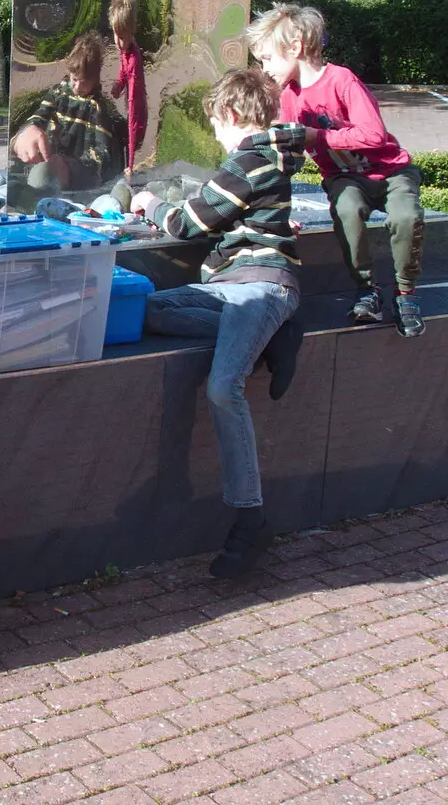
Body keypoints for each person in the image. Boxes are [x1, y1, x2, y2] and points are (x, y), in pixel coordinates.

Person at [129, 68, 306, 580]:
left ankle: (250, 521)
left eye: (215, 125)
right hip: (228, 287)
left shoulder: (248, 159)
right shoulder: (264, 158)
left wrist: (149, 204)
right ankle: (270, 338)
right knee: (148, 309)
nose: (216, 136)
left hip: (260, 286)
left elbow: (190, 222)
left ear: (229, 115)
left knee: (224, 388)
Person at [245, 4, 426, 338]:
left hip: (391, 172)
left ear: (295, 48)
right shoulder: (289, 98)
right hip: (344, 178)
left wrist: (318, 136)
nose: (264, 68)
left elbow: (374, 135)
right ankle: (367, 289)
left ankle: (405, 293)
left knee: (406, 216)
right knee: (347, 209)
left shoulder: (341, 80)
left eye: (267, 58)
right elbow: (289, 155)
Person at [9, 31, 126, 206]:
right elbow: (39, 116)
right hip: (50, 161)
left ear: (95, 80)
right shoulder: (58, 93)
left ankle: (34, 201)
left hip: (77, 178)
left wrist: (71, 167)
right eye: (74, 79)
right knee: (18, 180)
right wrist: (27, 131)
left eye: (84, 82)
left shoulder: (98, 108)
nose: (78, 87)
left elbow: (104, 156)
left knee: (42, 179)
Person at [109, 0, 148, 178]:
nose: (118, 42)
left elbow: (133, 111)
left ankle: (129, 163)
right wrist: (118, 84)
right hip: (132, 105)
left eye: (122, 37)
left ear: (132, 33)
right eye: (116, 35)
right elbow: (123, 69)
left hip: (138, 113)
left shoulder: (133, 59)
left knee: (129, 138)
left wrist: (131, 164)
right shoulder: (126, 48)